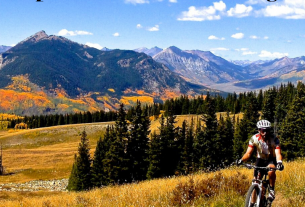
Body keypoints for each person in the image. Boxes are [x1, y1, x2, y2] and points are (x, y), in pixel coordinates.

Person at [236, 119, 284, 204]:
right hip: (260, 160)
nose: (265, 133)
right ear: (259, 130)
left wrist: (279, 162)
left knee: (271, 171)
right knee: (255, 181)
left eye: (267, 130)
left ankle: (271, 190)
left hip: (271, 159)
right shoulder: (254, 139)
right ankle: (252, 203)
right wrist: (241, 160)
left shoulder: (275, 139)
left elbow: (278, 153)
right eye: (263, 131)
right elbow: (248, 153)